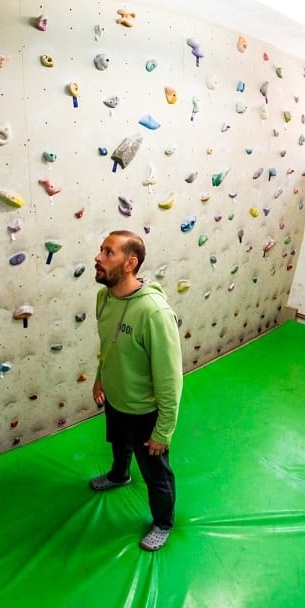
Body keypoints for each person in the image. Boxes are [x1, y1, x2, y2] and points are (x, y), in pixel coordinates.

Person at [91, 230, 183, 551]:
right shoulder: (104, 298)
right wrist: (100, 378)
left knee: (156, 473)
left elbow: (171, 380)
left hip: (145, 413)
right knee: (118, 443)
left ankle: (163, 521)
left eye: (108, 253)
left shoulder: (154, 313)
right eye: (101, 250)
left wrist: (163, 431)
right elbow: (109, 346)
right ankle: (119, 475)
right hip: (115, 399)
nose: (98, 258)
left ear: (130, 263)